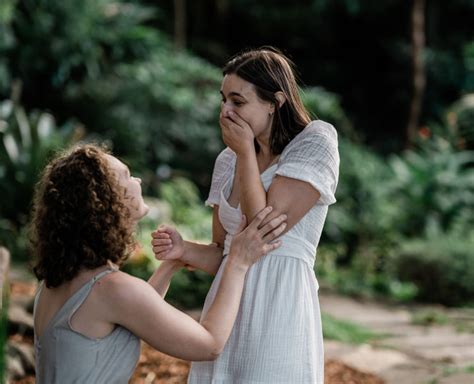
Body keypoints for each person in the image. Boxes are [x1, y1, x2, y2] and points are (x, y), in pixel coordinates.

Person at [152, 46, 340, 383]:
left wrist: (244, 154)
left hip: (280, 306)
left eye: (237, 102)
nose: (225, 110)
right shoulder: (227, 159)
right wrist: (185, 251)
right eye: (223, 99)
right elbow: (224, 253)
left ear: (275, 102)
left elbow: (263, 228)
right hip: (226, 310)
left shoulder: (315, 140)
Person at [30, 144, 287, 384]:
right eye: (128, 176)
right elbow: (209, 345)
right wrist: (238, 262)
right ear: (108, 199)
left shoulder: (57, 282)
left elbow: (136, 312)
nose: (138, 180)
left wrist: (171, 265)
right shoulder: (110, 288)